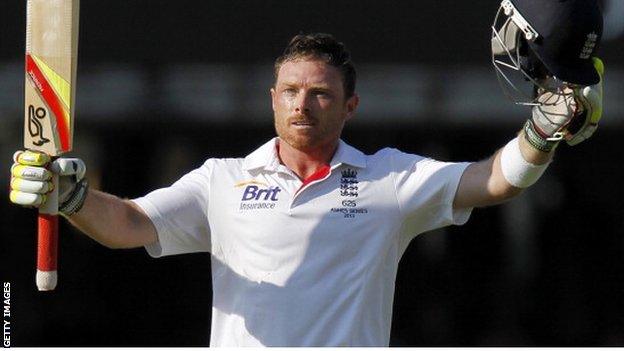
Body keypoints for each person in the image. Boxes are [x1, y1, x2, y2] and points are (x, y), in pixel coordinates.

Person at [9, 0, 604, 346]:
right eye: (290, 92)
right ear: (272, 99)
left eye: (320, 95)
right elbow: (131, 223)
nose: (301, 105)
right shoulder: (223, 180)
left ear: (350, 107)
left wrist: (541, 133)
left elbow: (494, 180)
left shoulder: (387, 182)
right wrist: (72, 195)